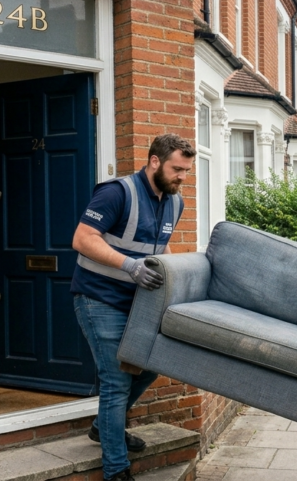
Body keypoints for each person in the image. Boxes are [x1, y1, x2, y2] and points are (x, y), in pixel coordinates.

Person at [70, 134, 195, 481]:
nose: (182, 177)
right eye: (176, 169)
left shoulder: (174, 202)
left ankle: (102, 427)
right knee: (116, 379)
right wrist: (130, 266)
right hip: (99, 298)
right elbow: (82, 239)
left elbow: (160, 249)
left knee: (151, 365)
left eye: (186, 171)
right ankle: (116, 469)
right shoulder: (116, 193)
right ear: (154, 161)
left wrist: (174, 284)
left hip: (138, 303)